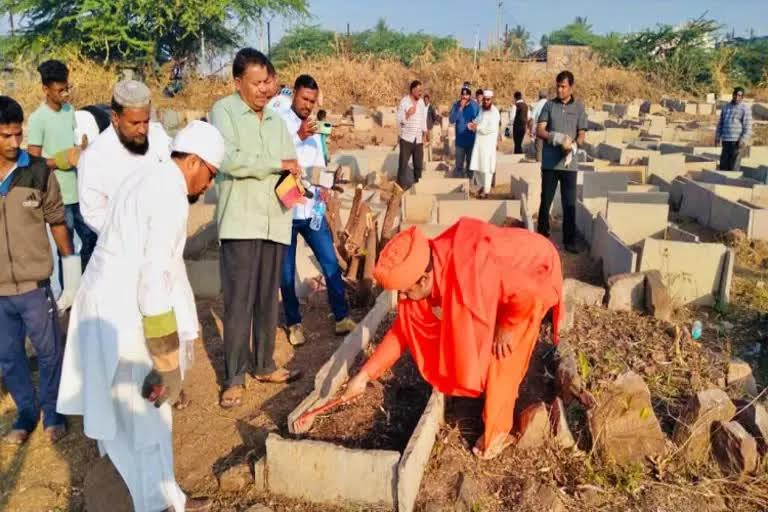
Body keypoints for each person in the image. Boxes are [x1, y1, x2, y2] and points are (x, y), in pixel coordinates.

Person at [57, 121, 225, 512]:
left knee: (131, 421)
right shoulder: (168, 194)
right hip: (126, 316)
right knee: (147, 418)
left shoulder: (148, 175)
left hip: (111, 309)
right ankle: (154, 504)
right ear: (195, 162)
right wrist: (167, 361)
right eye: (210, 175)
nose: (206, 187)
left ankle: (167, 499)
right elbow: (153, 285)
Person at [342, 219, 564, 460]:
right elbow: (403, 329)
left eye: (405, 291)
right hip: (506, 281)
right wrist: (364, 376)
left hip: (535, 273)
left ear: (424, 280)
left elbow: (528, 291)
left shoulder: (472, 266)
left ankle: (498, 433)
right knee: (476, 336)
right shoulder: (428, 262)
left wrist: (507, 325)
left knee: (503, 353)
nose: (403, 297)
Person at [210, 48, 302, 409]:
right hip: (241, 220)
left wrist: (299, 194)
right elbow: (229, 160)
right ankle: (233, 377)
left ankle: (263, 364)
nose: (265, 89)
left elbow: (288, 170)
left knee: (267, 299)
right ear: (238, 83)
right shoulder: (224, 111)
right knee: (238, 303)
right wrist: (276, 164)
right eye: (258, 82)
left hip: (275, 220)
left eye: (269, 81)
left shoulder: (278, 122)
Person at [0, 96, 75, 445]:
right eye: (6, 136)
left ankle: (54, 410)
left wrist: (70, 267)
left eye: (18, 134)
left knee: (49, 352)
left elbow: (58, 222)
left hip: (34, 286)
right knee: (10, 357)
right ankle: (27, 413)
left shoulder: (38, 172)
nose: (15, 143)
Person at [277, 74, 356, 347]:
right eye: (304, 99)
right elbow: (276, 158)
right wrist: (298, 136)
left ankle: (341, 316)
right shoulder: (279, 123)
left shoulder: (314, 129)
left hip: (312, 210)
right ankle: (294, 323)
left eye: (312, 100)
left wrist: (325, 192)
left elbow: (319, 165)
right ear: (294, 95)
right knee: (285, 273)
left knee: (330, 262)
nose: (307, 105)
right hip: (286, 209)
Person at [27, 60, 97, 283]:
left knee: (92, 238)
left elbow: (73, 143)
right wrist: (61, 160)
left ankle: (85, 286)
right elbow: (33, 161)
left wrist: (80, 151)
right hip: (57, 195)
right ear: (45, 89)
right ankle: (69, 297)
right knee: (65, 249)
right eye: (60, 90)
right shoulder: (38, 119)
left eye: (67, 88)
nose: (65, 94)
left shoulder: (69, 111)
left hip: (79, 190)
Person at [78, 80, 172, 236]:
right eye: (134, 123)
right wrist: (129, 234)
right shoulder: (94, 157)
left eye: (146, 121)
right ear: (115, 117)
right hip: (122, 247)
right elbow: (93, 213)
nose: (142, 129)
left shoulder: (158, 136)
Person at [536, 71, 588, 254]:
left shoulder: (579, 108)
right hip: (550, 163)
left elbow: (582, 133)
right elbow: (540, 130)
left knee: (569, 203)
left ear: (570, 87)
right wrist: (555, 137)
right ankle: (541, 236)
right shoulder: (549, 105)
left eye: (563, 86)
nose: (559, 89)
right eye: (557, 86)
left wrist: (573, 145)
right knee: (545, 201)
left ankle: (569, 241)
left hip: (569, 164)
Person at [396, 80, 428, 189]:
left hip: (418, 139)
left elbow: (423, 119)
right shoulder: (404, 102)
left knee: (418, 165)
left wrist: (424, 134)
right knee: (403, 165)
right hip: (406, 138)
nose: (420, 93)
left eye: (421, 90)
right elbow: (399, 120)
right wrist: (407, 114)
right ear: (413, 90)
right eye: (418, 90)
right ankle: (399, 188)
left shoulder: (421, 103)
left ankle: (417, 187)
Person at [468, 90, 501, 199]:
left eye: (488, 99)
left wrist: (478, 128)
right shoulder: (481, 109)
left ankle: (486, 191)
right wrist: (473, 124)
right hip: (479, 143)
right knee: (477, 166)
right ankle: (481, 186)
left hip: (488, 144)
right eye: (484, 99)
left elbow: (490, 128)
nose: (486, 101)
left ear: (491, 99)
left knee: (486, 167)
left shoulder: (494, 112)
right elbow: (478, 120)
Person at [716, 87, 752, 172]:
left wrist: (742, 140)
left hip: (737, 143)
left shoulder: (745, 109)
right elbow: (720, 123)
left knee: (733, 167)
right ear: (733, 95)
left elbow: (748, 127)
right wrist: (717, 137)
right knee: (723, 166)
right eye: (735, 94)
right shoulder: (726, 107)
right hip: (726, 141)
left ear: (742, 97)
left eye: (739, 95)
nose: (737, 97)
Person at [449, 86, 479, 179]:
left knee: (470, 166)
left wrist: (475, 125)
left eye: (466, 95)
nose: (464, 97)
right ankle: (459, 186)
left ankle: (469, 185)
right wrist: (460, 108)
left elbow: (479, 120)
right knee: (459, 166)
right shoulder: (456, 105)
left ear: (470, 96)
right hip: (460, 142)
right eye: (463, 95)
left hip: (471, 141)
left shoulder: (475, 105)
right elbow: (452, 120)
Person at [530, 90, 549, 162]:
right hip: (549, 127)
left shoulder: (537, 104)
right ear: (546, 96)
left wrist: (531, 130)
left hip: (540, 127)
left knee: (539, 148)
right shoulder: (550, 103)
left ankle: (539, 163)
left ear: (539, 96)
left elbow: (532, 118)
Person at [423, 94, 441, 162]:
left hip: (429, 128)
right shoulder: (422, 107)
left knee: (430, 143)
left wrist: (431, 124)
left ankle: (430, 159)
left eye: (427, 100)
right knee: (423, 143)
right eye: (424, 100)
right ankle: (424, 159)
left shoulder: (431, 108)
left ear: (428, 100)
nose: (425, 101)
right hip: (423, 129)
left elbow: (434, 117)